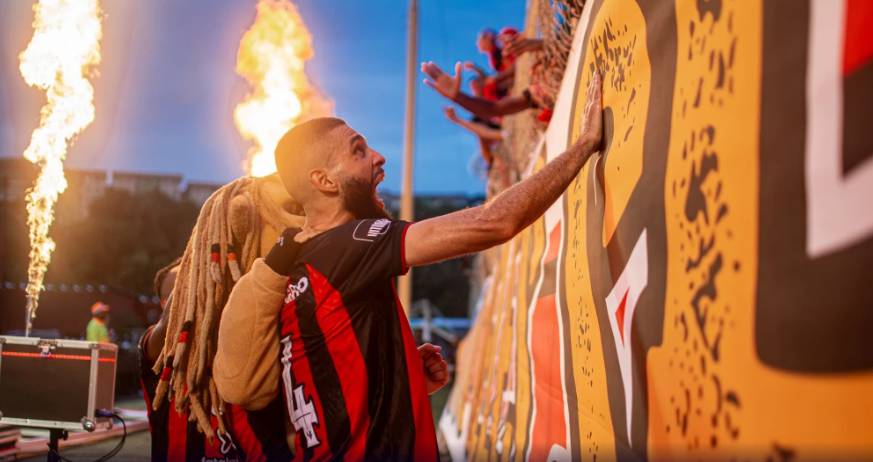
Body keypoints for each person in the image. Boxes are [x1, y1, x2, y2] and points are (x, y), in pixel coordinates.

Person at [214, 70, 604, 460]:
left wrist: (400, 373)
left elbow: (324, 383)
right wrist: (584, 144)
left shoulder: (299, 265)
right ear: (324, 181)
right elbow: (493, 223)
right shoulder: (348, 243)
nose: (378, 157)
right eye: (358, 151)